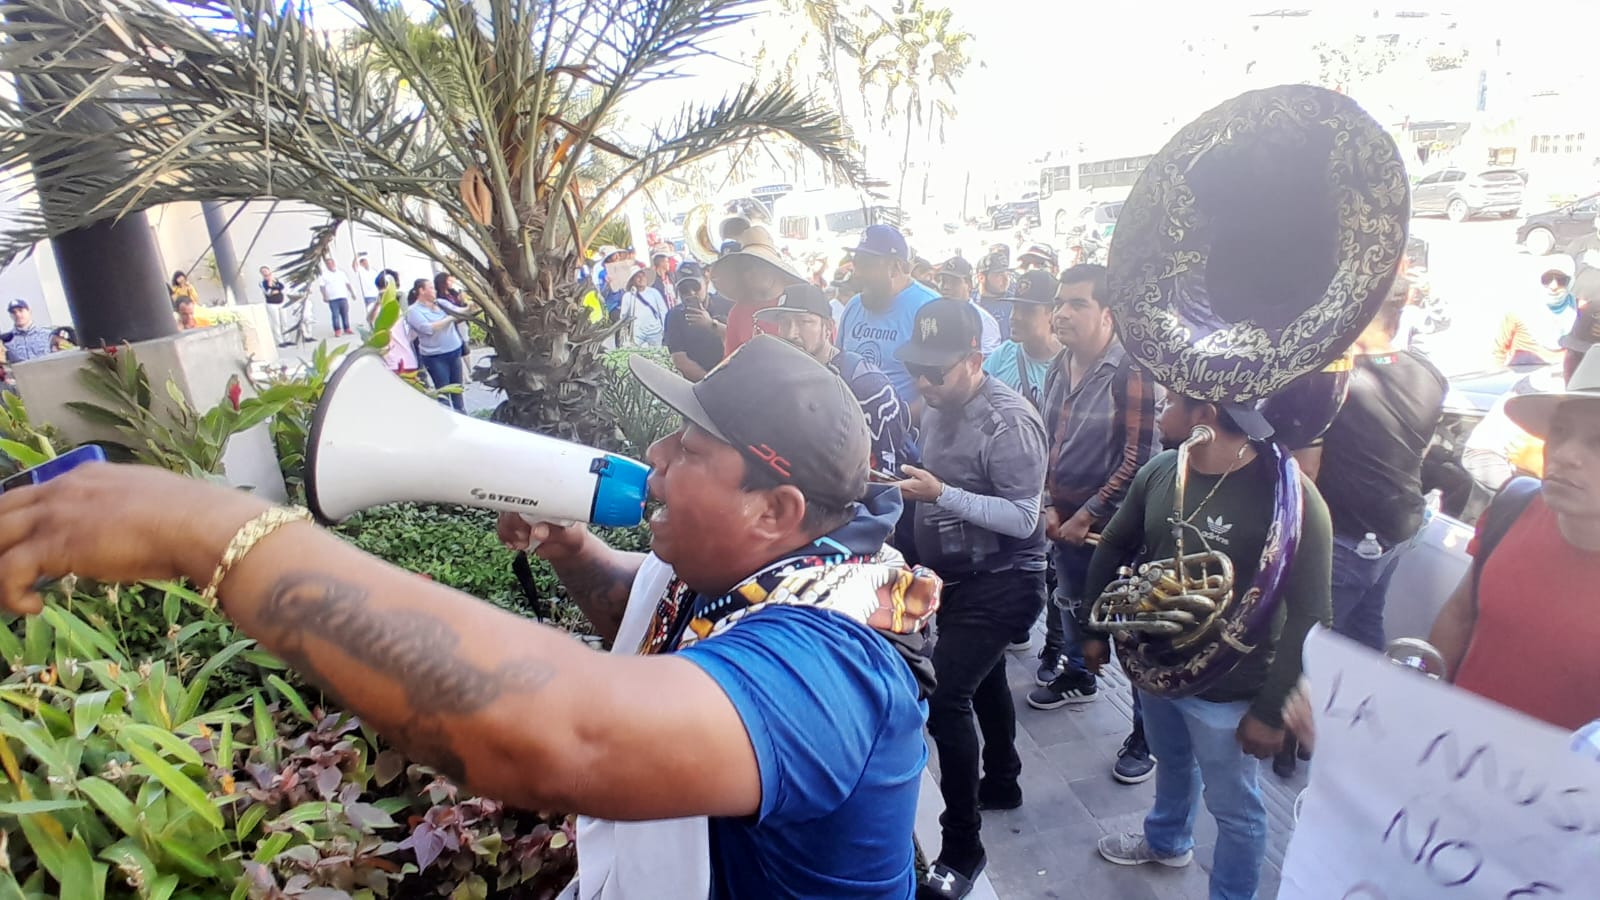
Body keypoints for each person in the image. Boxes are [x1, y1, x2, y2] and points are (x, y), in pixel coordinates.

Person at [0, 335, 938, 899]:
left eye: (687, 449)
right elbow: (656, 630)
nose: (653, 457)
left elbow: (566, 735)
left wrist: (219, 537)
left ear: (773, 512)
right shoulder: (743, 576)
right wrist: (578, 556)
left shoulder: (832, 663)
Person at [1083, 396, 1331, 899]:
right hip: (1153, 668)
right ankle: (1168, 841)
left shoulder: (1295, 500)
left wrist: (1270, 710)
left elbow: (1312, 617)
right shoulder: (1159, 471)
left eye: (1172, 400)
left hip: (1232, 688)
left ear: (1205, 417)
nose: (1160, 409)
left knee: (1236, 811)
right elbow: (1112, 543)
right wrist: (1092, 628)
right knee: (1172, 761)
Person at [889, 299, 1047, 898]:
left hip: (1008, 576)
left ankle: (963, 847)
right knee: (982, 680)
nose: (924, 382)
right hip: (952, 574)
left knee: (946, 693)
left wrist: (942, 494)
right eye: (917, 369)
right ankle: (1002, 778)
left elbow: (1024, 516)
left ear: (975, 361)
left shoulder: (1009, 422)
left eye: (937, 371)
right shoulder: (932, 405)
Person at [1028, 265, 1163, 779]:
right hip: (1064, 524)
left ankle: (1145, 736)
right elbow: (1046, 443)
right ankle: (1080, 677)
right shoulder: (1060, 365)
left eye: (1077, 304)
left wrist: (1088, 513)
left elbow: (1139, 459)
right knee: (1070, 602)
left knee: (1128, 625)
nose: (1060, 313)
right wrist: (1049, 505)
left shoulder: (1132, 371)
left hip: (1115, 530)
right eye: (1060, 303)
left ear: (1108, 314)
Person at [1429, 346, 1600, 731]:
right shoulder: (1514, 506)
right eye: (1561, 432)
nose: (1566, 454)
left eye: (1598, 442)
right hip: (1450, 761)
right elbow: (1459, 616)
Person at [1297, 285, 1447, 650]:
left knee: (1304, 646)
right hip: (1396, 530)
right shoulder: (1428, 372)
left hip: (1344, 539)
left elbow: (1305, 474)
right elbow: (1421, 448)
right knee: (1364, 630)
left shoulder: (1334, 380)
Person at [756, 282, 916, 475]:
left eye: (803, 322)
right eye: (784, 322)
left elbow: (886, 476)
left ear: (828, 327)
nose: (790, 333)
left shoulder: (863, 384)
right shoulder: (779, 375)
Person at [836, 225, 939, 407]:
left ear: (895, 266)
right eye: (857, 263)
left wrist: (899, 424)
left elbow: (938, 388)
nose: (857, 273)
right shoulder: (853, 306)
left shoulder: (930, 309)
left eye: (867, 264)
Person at [711, 225, 803, 355]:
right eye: (747, 267)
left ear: (774, 267)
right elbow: (732, 360)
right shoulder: (738, 313)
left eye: (760, 264)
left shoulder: (802, 304)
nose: (753, 272)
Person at [981, 270, 1060, 408]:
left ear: (1052, 313)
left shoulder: (1067, 364)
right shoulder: (1004, 354)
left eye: (1027, 310)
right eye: (1015, 308)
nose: (1015, 317)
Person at [1492, 262, 1578, 367]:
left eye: (1561, 280)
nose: (1554, 286)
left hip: (1567, 376)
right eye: (1546, 279)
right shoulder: (1518, 311)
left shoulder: (1579, 308)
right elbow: (1498, 353)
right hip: (1525, 376)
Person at [404, 278, 471, 411]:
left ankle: (462, 415)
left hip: (454, 351)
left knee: (457, 390)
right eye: (430, 288)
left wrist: (469, 306)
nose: (434, 291)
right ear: (421, 291)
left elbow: (459, 311)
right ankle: (447, 419)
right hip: (435, 357)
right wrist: (451, 317)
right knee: (443, 392)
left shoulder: (441, 303)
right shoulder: (413, 311)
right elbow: (428, 328)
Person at [661, 262, 730, 381]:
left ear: (706, 281)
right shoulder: (674, 316)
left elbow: (739, 339)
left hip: (731, 374)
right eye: (684, 289)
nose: (691, 293)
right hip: (699, 383)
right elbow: (679, 358)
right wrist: (709, 382)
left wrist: (711, 324)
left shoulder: (725, 304)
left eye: (695, 286)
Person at [618, 268, 669, 348]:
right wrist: (625, 333)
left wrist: (665, 328)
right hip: (637, 333)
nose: (641, 279)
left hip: (655, 331)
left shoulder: (654, 292)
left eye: (643, 276)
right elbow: (623, 317)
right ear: (633, 280)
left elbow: (663, 311)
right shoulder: (628, 296)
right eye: (638, 277)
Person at [975, 253, 1013, 341]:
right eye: (999, 275)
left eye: (1007, 274)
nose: (1006, 279)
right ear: (981, 278)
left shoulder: (1015, 303)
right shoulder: (970, 302)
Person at [315, 258, 356, 337]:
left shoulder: (341, 273)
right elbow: (322, 286)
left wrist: (352, 293)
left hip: (343, 296)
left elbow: (347, 283)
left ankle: (347, 328)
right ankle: (337, 330)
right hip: (332, 298)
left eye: (331, 263)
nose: (330, 265)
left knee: (345, 313)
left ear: (334, 263)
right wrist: (324, 296)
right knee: (335, 315)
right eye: (328, 264)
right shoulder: (324, 274)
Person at [260, 266, 292, 347]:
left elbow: (281, 287)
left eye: (268, 272)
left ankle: (287, 339)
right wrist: (270, 285)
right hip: (272, 304)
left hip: (281, 302)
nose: (267, 274)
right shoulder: (262, 283)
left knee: (284, 321)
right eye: (264, 273)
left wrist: (275, 288)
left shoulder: (276, 280)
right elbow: (268, 293)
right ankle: (279, 341)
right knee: (276, 322)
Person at [354, 253, 381, 322]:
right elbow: (354, 266)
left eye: (366, 261)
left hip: (377, 294)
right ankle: (372, 325)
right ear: (361, 264)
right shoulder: (361, 271)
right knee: (371, 312)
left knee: (379, 312)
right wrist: (356, 257)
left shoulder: (374, 271)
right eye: (363, 262)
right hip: (368, 295)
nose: (365, 263)